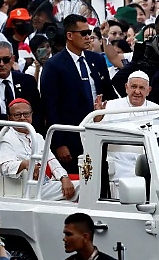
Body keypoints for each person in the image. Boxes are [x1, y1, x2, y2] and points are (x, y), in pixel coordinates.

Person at [40, 13, 116, 174]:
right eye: (84, 33)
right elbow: (50, 107)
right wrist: (59, 143)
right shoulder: (54, 66)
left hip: (99, 132)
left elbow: (108, 93)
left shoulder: (97, 60)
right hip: (71, 136)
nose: (88, 37)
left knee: (101, 180)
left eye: (89, 33)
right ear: (70, 35)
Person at [0, 98, 78, 201]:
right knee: (82, 188)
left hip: (45, 184)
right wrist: (25, 164)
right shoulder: (7, 138)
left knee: (84, 185)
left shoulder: (37, 137)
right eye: (17, 115)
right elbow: (4, 166)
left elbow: (51, 160)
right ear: (9, 118)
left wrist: (64, 177)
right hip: (26, 188)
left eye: (26, 114)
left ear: (31, 115)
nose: (22, 118)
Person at [0, 42, 42, 134]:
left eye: (6, 60)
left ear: (12, 59)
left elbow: (38, 111)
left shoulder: (27, 81)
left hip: (28, 134)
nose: (1, 64)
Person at [93, 70, 159, 122]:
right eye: (134, 87)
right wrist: (98, 118)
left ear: (148, 90)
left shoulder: (158, 110)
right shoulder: (108, 107)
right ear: (126, 87)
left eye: (141, 88)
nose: (137, 92)